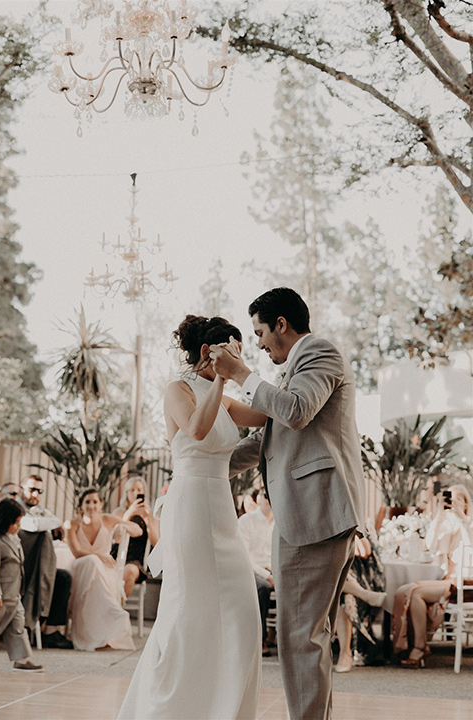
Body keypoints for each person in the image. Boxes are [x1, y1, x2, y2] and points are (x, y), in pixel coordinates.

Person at [209, 287, 366, 720]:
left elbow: (295, 411)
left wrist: (240, 374)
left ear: (282, 325)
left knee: (299, 637)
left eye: (261, 331)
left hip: (314, 513)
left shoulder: (319, 352)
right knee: (307, 636)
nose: (258, 343)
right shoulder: (289, 372)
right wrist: (206, 467)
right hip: (313, 513)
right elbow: (269, 437)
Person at [118, 315, 267, 720]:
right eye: (232, 351)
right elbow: (198, 430)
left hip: (221, 503)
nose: (238, 358)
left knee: (241, 608)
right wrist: (222, 380)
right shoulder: (178, 390)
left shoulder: (226, 397)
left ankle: (225, 707)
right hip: (190, 505)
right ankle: (171, 707)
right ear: (208, 352)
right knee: (190, 609)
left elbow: (267, 418)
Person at [393, 483, 473, 668]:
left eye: (458, 499)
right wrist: (439, 514)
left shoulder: (469, 523)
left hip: (466, 583)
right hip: (449, 581)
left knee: (415, 592)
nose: (453, 502)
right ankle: (420, 647)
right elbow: (428, 544)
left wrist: (462, 518)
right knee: (407, 592)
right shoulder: (448, 523)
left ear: (466, 503)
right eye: (450, 498)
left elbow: (471, 547)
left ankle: (419, 648)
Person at [66, 487, 141, 651]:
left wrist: (123, 526)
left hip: (104, 570)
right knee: (92, 561)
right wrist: (100, 556)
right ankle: (111, 609)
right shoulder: (71, 524)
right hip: (80, 568)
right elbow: (77, 552)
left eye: (95, 502)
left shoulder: (107, 519)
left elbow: (138, 530)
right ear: (81, 506)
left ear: (100, 505)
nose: (91, 506)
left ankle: (101, 632)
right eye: (87, 502)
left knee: (98, 569)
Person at [16, 474, 73, 649]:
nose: (35, 494)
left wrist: (51, 521)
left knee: (63, 578)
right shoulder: (14, 507)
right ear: (22, 489)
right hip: (15, 567)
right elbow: (32, 525)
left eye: (40, 491)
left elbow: (51, 520)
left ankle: (49, 630)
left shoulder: (38, 510)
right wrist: (53, 522)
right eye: (31, 489)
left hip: (35, 565)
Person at [0, 498, 44, 672]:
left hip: (14, 593)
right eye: (15, 522)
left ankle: (21, 658)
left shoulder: (14, 539)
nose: (18, 526)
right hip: (2, 594)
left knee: (17, 625)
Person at [335, 534, 386, 672]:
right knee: (333, 576)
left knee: (346, 598)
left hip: (356, 580)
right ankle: (366, 596)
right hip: (322, 580)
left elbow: (364, 552)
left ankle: (345, 653)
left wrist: (351, 534)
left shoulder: (360, 526)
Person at [238, 488, 275, 656]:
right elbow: (244, 557)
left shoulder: (281, 523)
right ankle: (259, 640)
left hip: (274, 570)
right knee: (263, 588)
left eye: (270, 496)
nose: (268, 500)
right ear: (258, 499)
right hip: (250, 570)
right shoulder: (247, 521)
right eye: (265, 495)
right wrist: (268, 576)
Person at [111, 475, 160, 598]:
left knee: (130, 571)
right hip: (115, 556)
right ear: (126, 494)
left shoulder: (151, 515)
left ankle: (117, 608)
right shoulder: (119, 513)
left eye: (139, 490)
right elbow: (116, 537)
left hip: (136, 561)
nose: (135, 493)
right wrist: (128, 515)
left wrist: (147, 519)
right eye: (131, 490)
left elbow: (156, 544)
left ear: (144, 493)